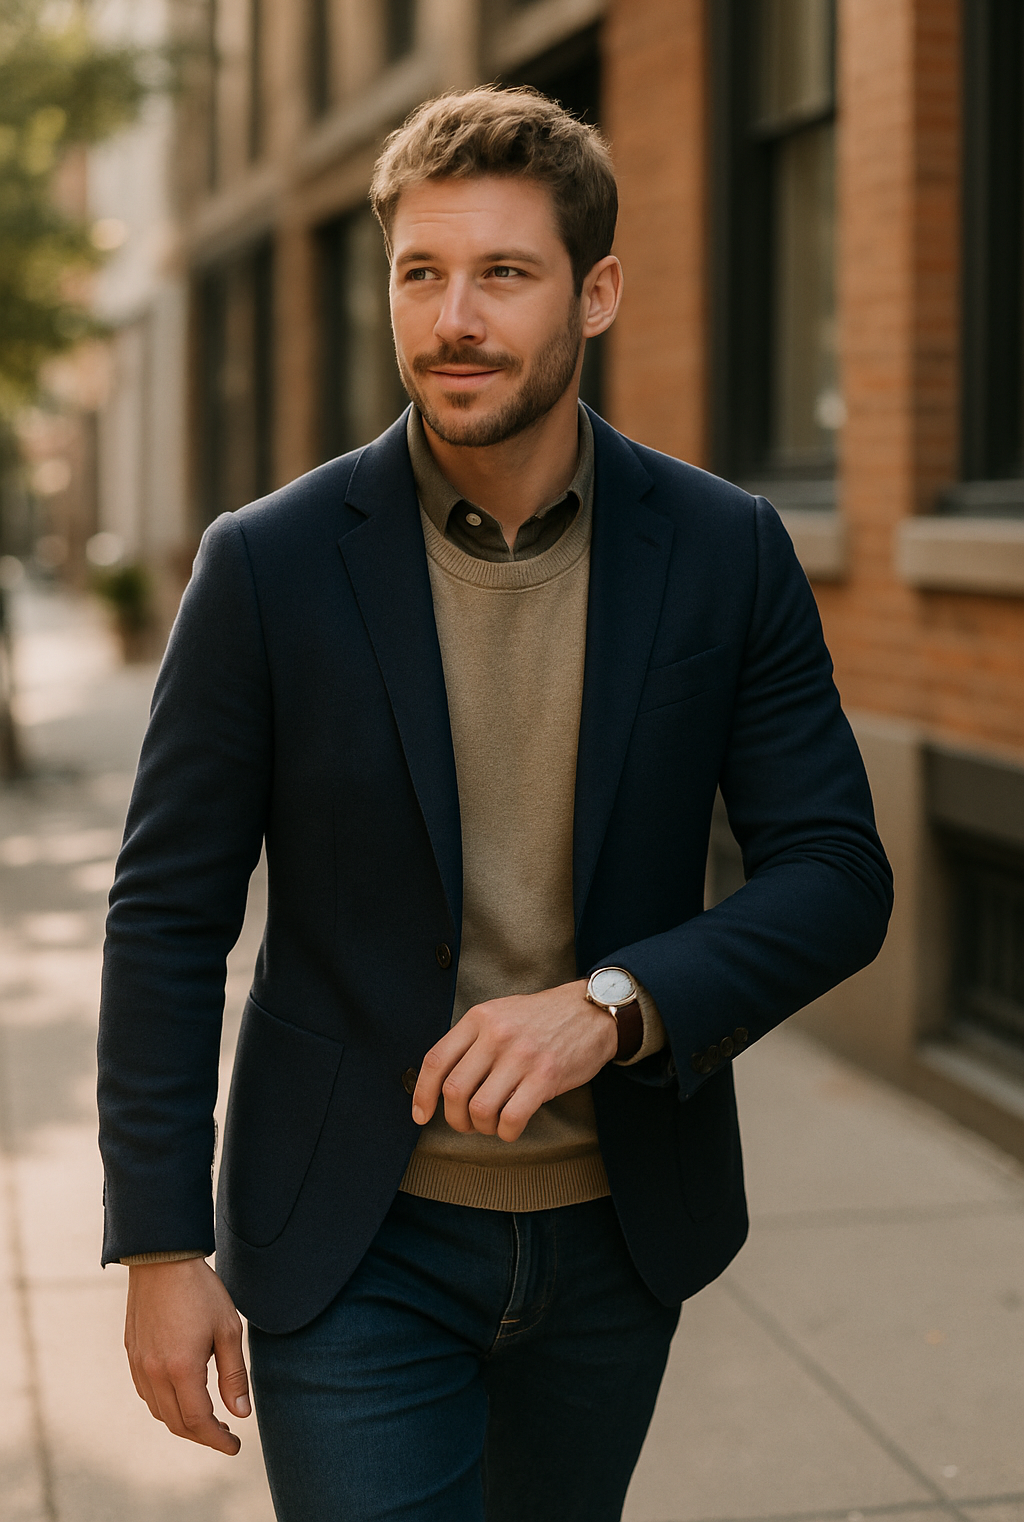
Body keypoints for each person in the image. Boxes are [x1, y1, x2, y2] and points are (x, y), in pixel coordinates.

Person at [97, 86, 893, 1522]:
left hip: (617, 1236)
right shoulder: (267, 566)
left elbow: (836, 872)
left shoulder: (725, 549)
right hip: (352, 1241)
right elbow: (166, 914)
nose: (453, 320)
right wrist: (159, 1243)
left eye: (503, 274)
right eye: (422, 273)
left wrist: (614, 1004)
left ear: (597, 294)